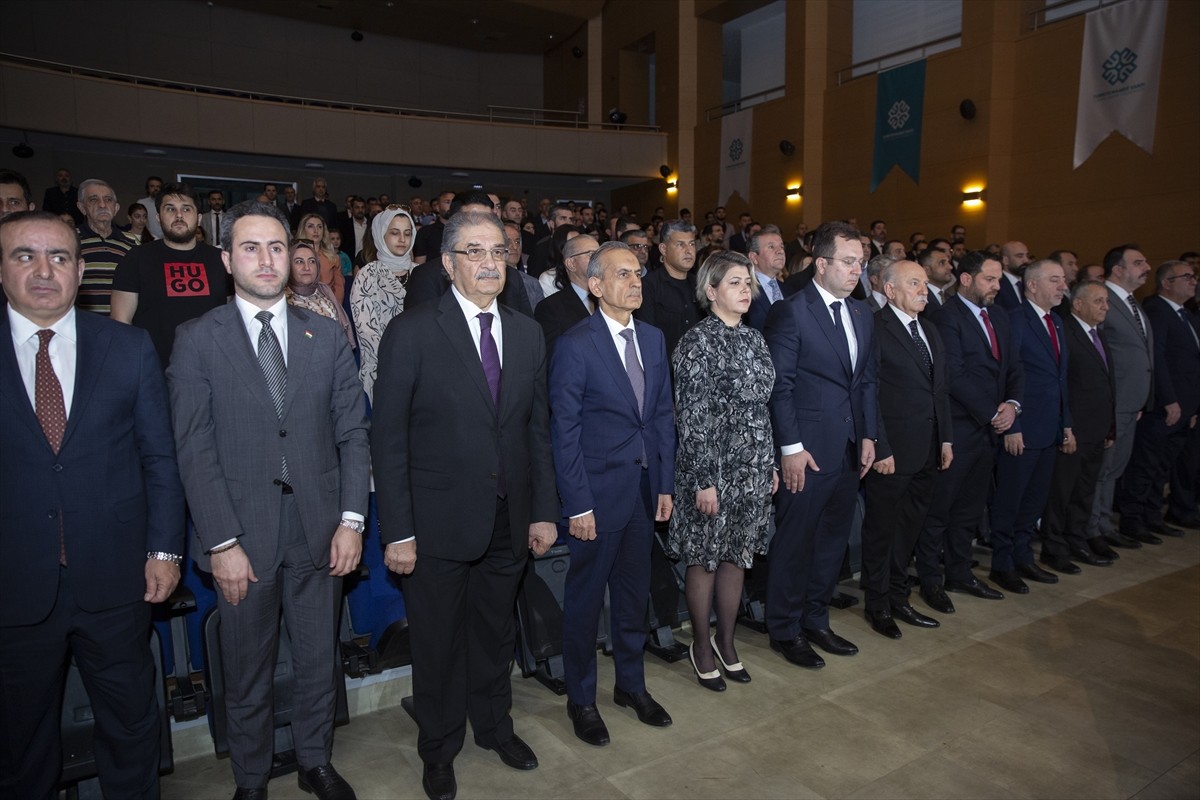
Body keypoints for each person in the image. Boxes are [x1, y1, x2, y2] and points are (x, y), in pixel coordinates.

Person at [167, 201, 369, 800]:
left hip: (319, 529)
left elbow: (353, 433)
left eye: (277, 247)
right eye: (250, 247)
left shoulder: (326, 335)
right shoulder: (197, 340)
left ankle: (315, 761)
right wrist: (221, 542)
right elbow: (193, 450)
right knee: (248, 671)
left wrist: (352, 520)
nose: (266, 259)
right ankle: (251, 779)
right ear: (226, 259)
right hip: (241, 537)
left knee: (316, 661)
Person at [370, 211, 559, 800]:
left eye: (497, 252)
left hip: (509, 518)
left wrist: (544, 510)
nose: (487, 263)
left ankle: (494, 728)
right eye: (473, 251)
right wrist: (396, 529)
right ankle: (439, 748)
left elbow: (536, 431)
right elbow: (388, 437)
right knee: (438, 642)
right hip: (436, 524)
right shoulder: (414, 330)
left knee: (496, 635)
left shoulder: (528, 334)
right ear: (448, 263)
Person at [0, 210, 185, 799]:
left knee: (131, 728)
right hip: (14, 585)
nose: (44, 271)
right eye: (25, 255)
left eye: (59, 257)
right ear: (2, 268)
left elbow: (159, 459)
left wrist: (163, 548)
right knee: (18, 742)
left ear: (82, 271)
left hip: (116, 578)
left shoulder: (127, 348)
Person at [550, 241, 676, 746]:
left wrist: (665, 483)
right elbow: (565, 431)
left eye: (638, 273)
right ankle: (581, 699)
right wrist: (577, 503)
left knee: (632, 596)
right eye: (623, 274)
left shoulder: (653, 336)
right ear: (596, 286)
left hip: (645, 491)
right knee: (584, 601)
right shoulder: (575, 344)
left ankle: (631, 686)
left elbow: (663, 414)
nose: (636, 281)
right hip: (596, 498)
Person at [763, 220, 877, 668]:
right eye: (848, 263)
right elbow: (779, 386)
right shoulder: (791, 311)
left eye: (861, 264)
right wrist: (790, 448)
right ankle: (785, 629)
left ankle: (815, 619)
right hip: (806, 452)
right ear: (821, 263)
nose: (856, 271)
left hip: (849, 448)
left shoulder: (862, 313)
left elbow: (866, 380)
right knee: (795, 543)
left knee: (832, 542)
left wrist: (869, 435)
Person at [667, 251, 775, 690]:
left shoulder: (755, 340)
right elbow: (691, 418)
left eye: (747, 282)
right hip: (711, 469)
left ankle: (727, 643)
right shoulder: (696, 342)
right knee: (706, 560)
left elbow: (763, 410)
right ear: (710, 292)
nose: (745, 290)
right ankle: (701, 645)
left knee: (737, 557)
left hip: (752, 466)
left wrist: (766, 465)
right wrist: (704, 480)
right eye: (734, 283)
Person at [920, 250, 1023, 610]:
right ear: (966, 279)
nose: (997, 286)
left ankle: (960, 572)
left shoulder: (1000, 317)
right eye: (989, 279)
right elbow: (955, 376)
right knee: (940, 510)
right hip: (960, 427)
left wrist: (1012, 406)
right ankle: (931, 580)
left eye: (998, 279)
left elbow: (1013, 367)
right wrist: (992, 412)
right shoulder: (946, 317)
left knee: (970, 508)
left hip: (989, 429)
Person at [860, 260, 953, 639]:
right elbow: (870, 392)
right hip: (892, 453)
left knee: (910, 528)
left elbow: (939, 390)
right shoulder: (875, 329)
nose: (923, 290)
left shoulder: (930, 329)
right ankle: (878, 604)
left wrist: (946, 438)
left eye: (925, 283)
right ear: (889, 289)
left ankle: (900, 597)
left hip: (928, 450)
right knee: (882, 531)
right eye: (914, 283)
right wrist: (880, 446)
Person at [988, 259, 1071, 594]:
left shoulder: (1058, 322)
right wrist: (1011, 426)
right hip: (1022, 428)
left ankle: (1024, 556)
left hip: (1050, 428)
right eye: (1055, 280)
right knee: (1011, 499)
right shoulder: (1015, 321)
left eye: (1063, 280)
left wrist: (1067, 424)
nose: (1063, 286)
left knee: (1034, 500)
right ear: (1032, 285)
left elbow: (1061, 379)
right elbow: (1007, 376)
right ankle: (1002, 563)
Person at [1040, 280, 1119, 571]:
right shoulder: (1066, 333)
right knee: (1062, 493)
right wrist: (1066, 426)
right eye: (1098, 301)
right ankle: (1054, 547)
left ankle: (1077, 540)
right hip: (1073, 430)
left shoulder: (1098, 335)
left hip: (1097, 429)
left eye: (1107, 302)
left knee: (1084, 490)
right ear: (1078, 304)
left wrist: (1110, 427)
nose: (1105, 307)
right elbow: (1061, 385)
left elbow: (1106, 384)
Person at [110, 182, 230, 367]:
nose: (179, 215)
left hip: (211, 368)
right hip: (152, 369)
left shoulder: (221, 260)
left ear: (198, 218)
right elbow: (121, 322)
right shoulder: (136, 258)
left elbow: (232, 317)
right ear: (158, 217)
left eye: (186, 209)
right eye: (170, 209)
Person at [350, 205, 416, 402]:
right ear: (381, 235)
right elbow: (366, 330)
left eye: (408, 233)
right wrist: (399, 360)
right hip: (383, 367)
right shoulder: (368, 275)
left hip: (422, 366)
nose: (402, 239)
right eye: (394, 233)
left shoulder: (421, 272)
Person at [75, 179, 138, 315]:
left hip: (122, 325)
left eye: (108, 200)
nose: (102, 205)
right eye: (93, 200)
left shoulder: (132, 242)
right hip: (83, 325)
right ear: (81, 207)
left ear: (116, 208)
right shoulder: (69, 239)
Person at [287, 238, 355, 349]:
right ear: (288, 265)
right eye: (299, 261)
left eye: (312, 261)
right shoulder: (282, 299)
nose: (307, 267)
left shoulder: (325, 292)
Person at [295, 212, 346, 305]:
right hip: (300, 306)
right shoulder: (293, 257)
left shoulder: (333, 258)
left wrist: (335, 308)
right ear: (303, 230)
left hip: (329, 307)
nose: (316, 230)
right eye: (311, 226)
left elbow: (339, 289)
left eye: (319, 227)